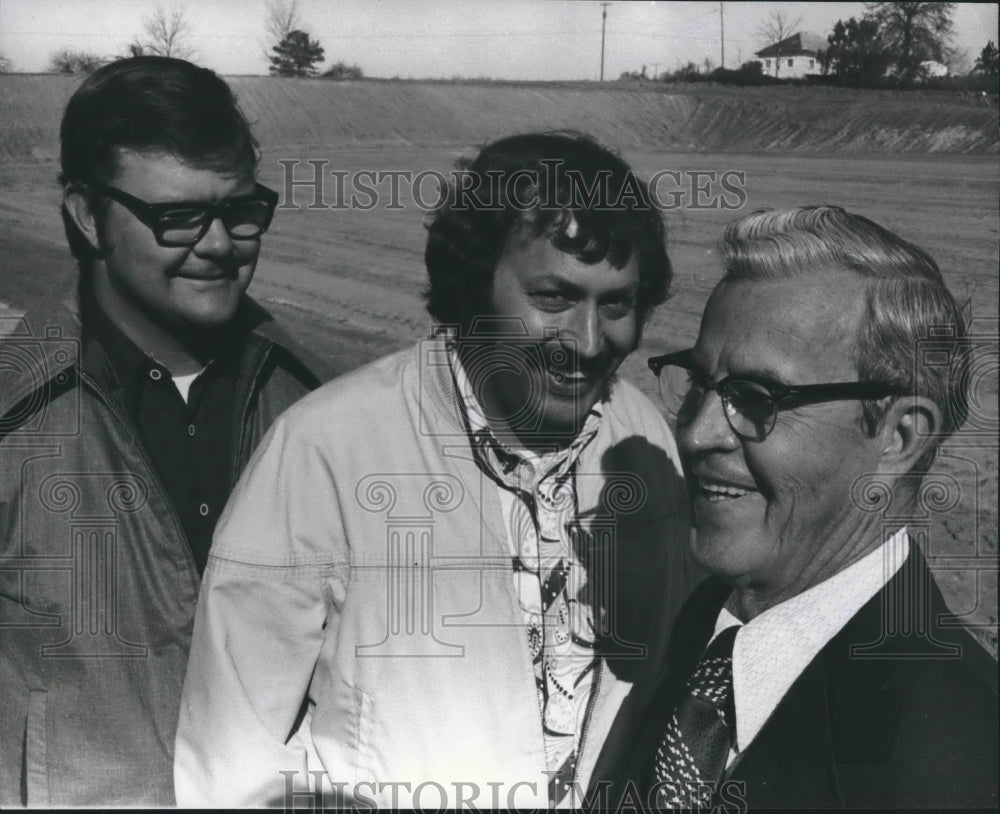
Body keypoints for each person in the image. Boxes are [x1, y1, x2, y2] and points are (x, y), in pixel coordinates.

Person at [175, 131, 693, 809]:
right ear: (472, 287)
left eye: (617, 303)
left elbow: (657, 687)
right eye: (555, 297)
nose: (589, 342)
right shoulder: (327, 447)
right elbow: (230, 758)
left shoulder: (643, 442)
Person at [590, 206, 998, 810]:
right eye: (700, 384)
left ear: (899, 438)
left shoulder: (957, 767)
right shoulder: (704, 620)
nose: (697, 435)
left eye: (757, 399)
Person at [0, 56, 327, 806]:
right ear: (88, 217)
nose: (218, 246)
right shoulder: (14, 419)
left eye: (241, 212)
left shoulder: (321, 413)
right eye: (178, 217)